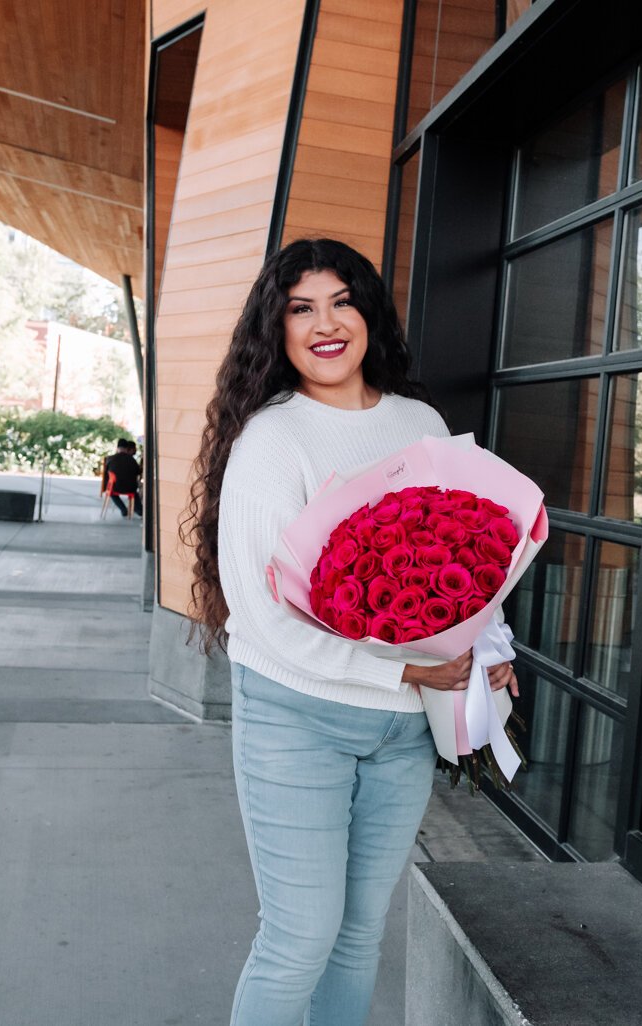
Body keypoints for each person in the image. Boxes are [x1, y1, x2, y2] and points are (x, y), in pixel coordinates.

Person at [186, 238, 518, 1026]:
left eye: (342, 301)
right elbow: (260, 619)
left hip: (403, 732)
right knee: (299, 936)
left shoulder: (420, 422)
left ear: (369, 314)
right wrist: (400, 672)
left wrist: (488, 654)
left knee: (359, 933)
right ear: (278, 327)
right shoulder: (273, 437)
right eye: (302, 307)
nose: (325, 323)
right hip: (296, 718)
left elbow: (474, 552)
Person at [102, 438, 142, 517]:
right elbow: (138, 472)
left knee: (112, 494)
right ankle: (140, 510)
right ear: (127, 449)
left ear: (117, 448)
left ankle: (123, 509)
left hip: (115, 487)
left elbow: (106, 473)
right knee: (134, 494)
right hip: (130, 488)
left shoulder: (110, 459)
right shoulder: (131, 460)